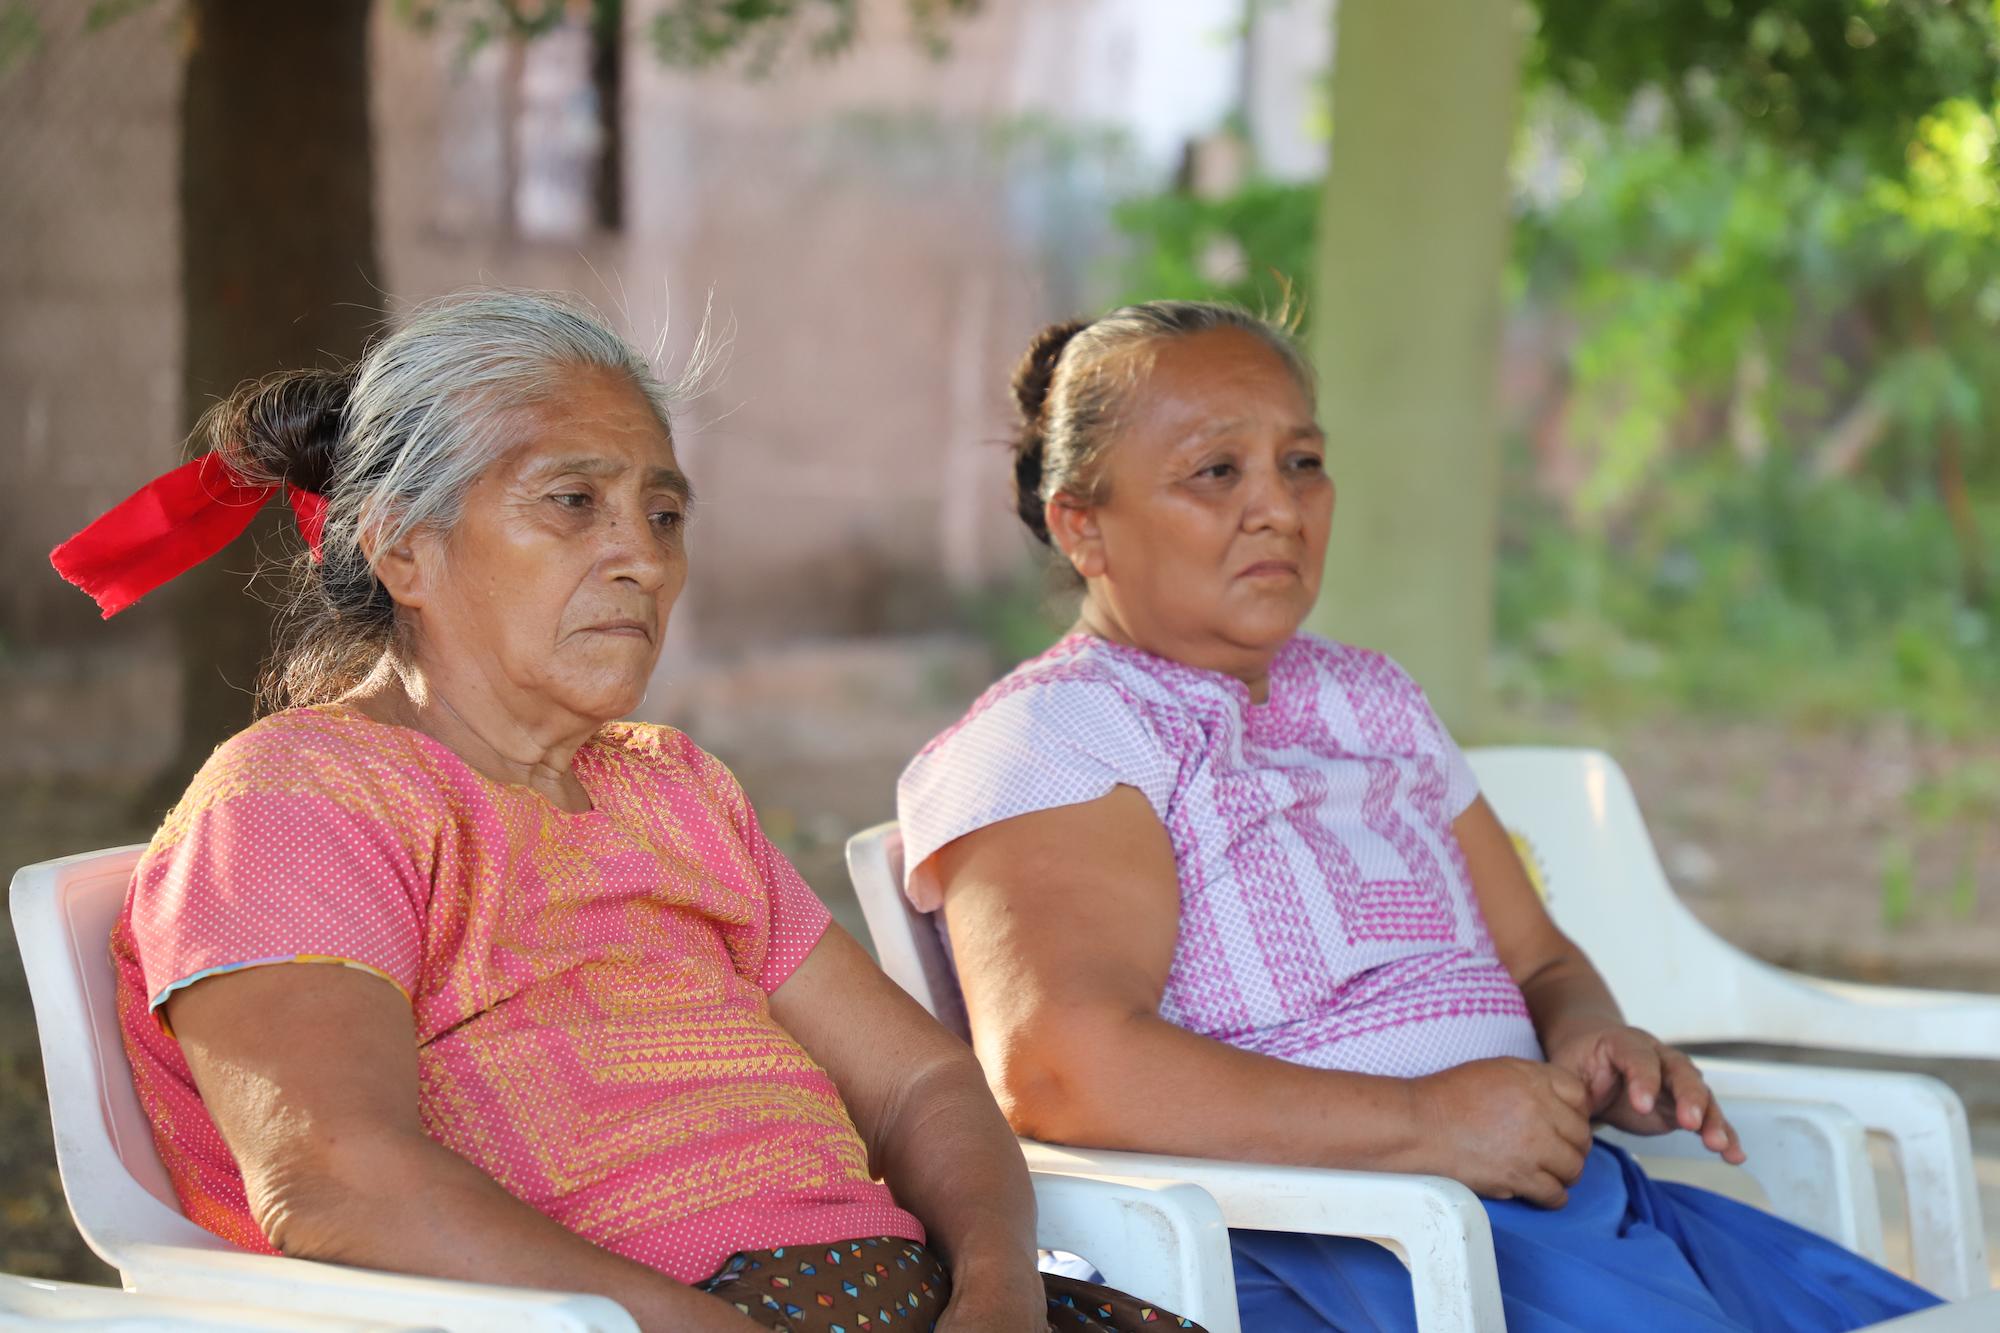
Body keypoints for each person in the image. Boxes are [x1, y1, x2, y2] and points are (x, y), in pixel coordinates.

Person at [54, 291, 1202, 1333]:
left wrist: (998, 1289)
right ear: (404, 546)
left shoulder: (672, 788)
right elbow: (335, 1173)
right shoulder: (298, 799)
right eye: (572, 503)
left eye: (662, 515)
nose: (641, 561)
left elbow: (921, 1081)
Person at [895, 300, 1942, 1332]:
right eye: (1216, 472)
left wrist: (1590, 1039)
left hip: (1544, 1199)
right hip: (1336, 1244)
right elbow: (1059, 1066)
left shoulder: (1370, 698)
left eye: (1301, 462)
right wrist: (1420, 1124)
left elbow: (1539, 963)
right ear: (1083, 524)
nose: (1277, 508)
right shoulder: (1058, 736)